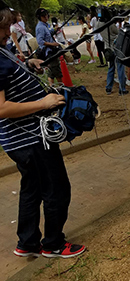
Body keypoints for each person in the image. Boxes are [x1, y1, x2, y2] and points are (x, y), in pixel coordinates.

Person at [0, 5, 86, 258]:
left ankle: (27, 242)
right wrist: (44, 103)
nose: (9, 31)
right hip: (29, 139)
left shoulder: (1, 50)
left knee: (33, 188)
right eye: (4, 28)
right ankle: (54, 244)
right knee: (56, 188)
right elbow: (1, 107)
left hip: (25, 139)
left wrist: (28, 63)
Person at [98, 11, 128, 95]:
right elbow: (118, 33)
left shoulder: (99, 24)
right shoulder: (111, 25)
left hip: (107, 49)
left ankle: (108, 88)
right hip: (116, 49)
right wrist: (119, 23)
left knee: (111, 68)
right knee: (120, 69)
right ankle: (122, 89)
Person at [35, 8, 63, 86]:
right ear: (39, 17)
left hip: (51, 51)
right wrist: (52, 44)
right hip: (49, 52)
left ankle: (51, 88)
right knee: (56, 70)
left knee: (51, 72)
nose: (46, 17)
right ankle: (62, 86)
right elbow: (40, 41)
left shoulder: (44, 25)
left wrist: (54, 30)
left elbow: (47, 35)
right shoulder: (40, 27)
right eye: (43, 16)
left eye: (46, 15)